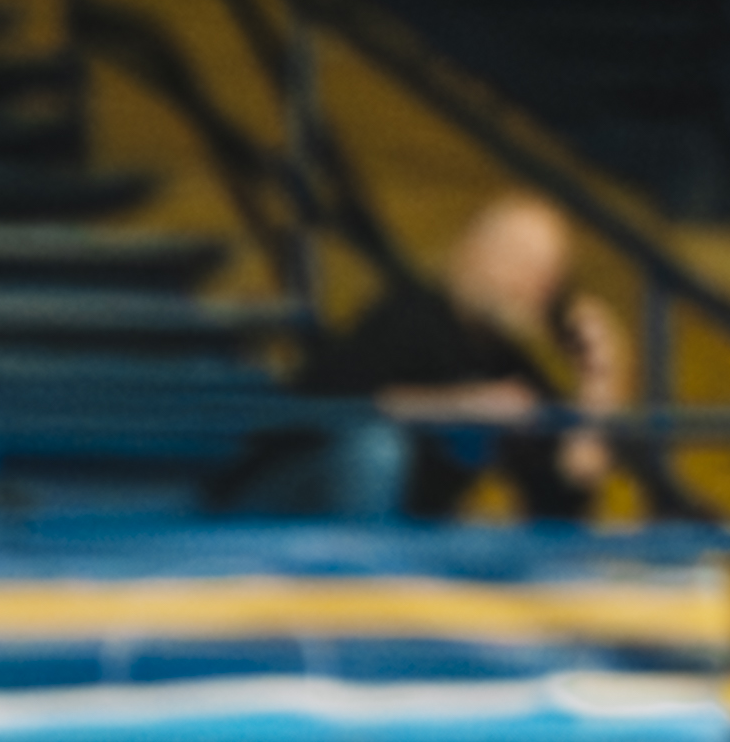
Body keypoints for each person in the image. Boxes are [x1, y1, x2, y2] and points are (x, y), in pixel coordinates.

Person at [239, 191, 642, 525]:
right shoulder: (407, 316)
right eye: (513, 257)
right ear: (470, 251)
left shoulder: (509, 367)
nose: (527, 281)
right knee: (376, 450)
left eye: (544, 272)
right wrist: (457, 406)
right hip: (276, 506)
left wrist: (598, 389)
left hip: (396, 535)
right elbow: (323, 404)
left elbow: (560, 502)